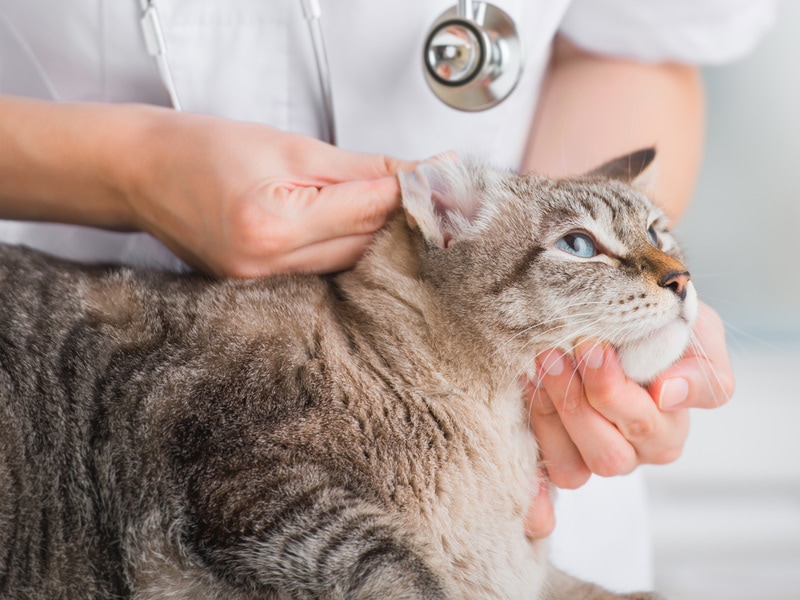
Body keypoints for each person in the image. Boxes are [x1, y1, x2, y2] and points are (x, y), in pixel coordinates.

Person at [0, 0, 777, 591]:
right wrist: (131, 166)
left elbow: (635, 43)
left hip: (503, 375)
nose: (673, 279)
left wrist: (570, 283)